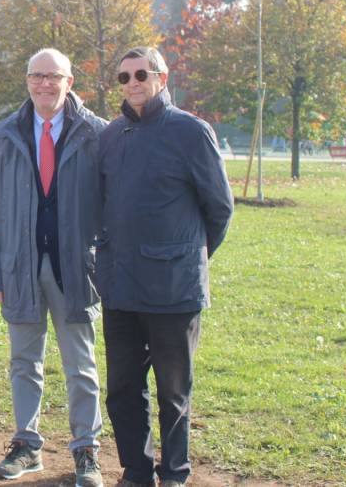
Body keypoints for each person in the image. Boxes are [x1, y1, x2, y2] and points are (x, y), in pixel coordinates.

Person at [96, 47, 234, 487]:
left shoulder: (192, 132)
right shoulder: (112, 135)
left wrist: (188, 257)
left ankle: (173, 473)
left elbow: (219, 208)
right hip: (120, 287)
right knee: (121, 390)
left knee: (173, 392)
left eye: (141, 74)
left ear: (162, 77)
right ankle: (136, 471)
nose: (133, 83)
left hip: (174, 289)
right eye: (124, 77)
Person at [0, 49, 105, 486]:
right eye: (36, 76)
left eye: (53, 77)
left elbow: (111, 208)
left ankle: (86, 449)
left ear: (70, 81)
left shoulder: (95, 133)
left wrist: (102, 264)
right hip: (19, 269)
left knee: (80, 364)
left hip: (75, 270)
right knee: (23, 361)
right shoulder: (4, 134)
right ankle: (27, 445)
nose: (44, 84)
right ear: (26, 80)